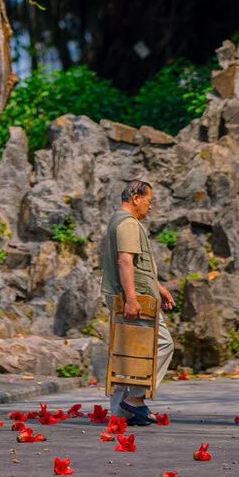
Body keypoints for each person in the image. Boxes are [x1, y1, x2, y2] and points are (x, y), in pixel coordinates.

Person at [100, 179, 176, 425]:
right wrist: (132, 299)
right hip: (136, 298)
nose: (150, 206)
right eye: (148, 200)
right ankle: (135, 398)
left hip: (130, 294)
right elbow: (125, 261)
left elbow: (137, 265)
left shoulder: (117, 220)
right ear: (136, 198)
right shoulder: (128, 224)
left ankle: (121, 413)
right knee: (163, 344)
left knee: (127, 352)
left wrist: (160, 288)